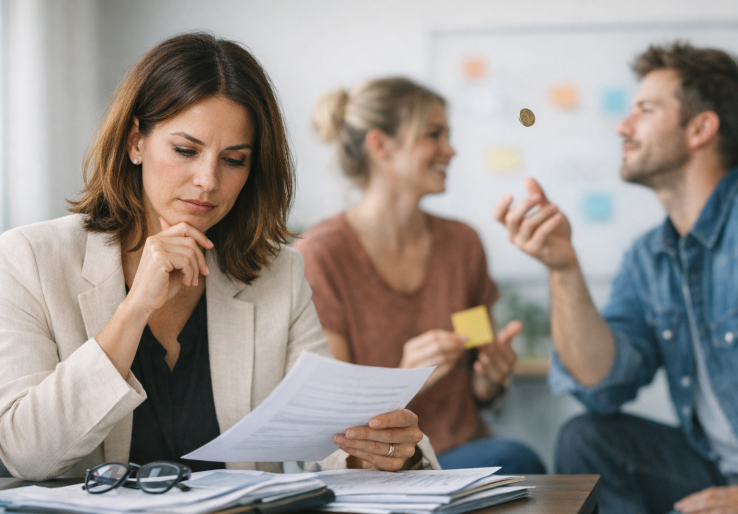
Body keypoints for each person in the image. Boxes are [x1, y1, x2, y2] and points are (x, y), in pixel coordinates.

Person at [0, 33, 437, 481]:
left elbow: (328, 437)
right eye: (185, 151)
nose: (207, 180)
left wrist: (377, 452)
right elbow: (26, 453)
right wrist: (133, 311)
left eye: (234, 160)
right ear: (135, 142)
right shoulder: (30, 258)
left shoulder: (277, 273)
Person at [495, 42, 738, 514]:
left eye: (645, 110)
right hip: (716, 464)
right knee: (586, 437)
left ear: (701, 128)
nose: (622, 125)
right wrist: (563, 269)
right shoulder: (648, 256)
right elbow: (602, 386)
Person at [294, 77, 545, 475]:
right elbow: (334, 421)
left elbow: (477, 378)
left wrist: (489, 379)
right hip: (380, 469)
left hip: (467, 453)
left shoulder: (463, 245)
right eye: (434, 134)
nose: (451, 149)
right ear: (380, 145)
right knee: (517, 460)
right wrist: (404, 380)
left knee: (513, 461)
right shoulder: (321, 255)